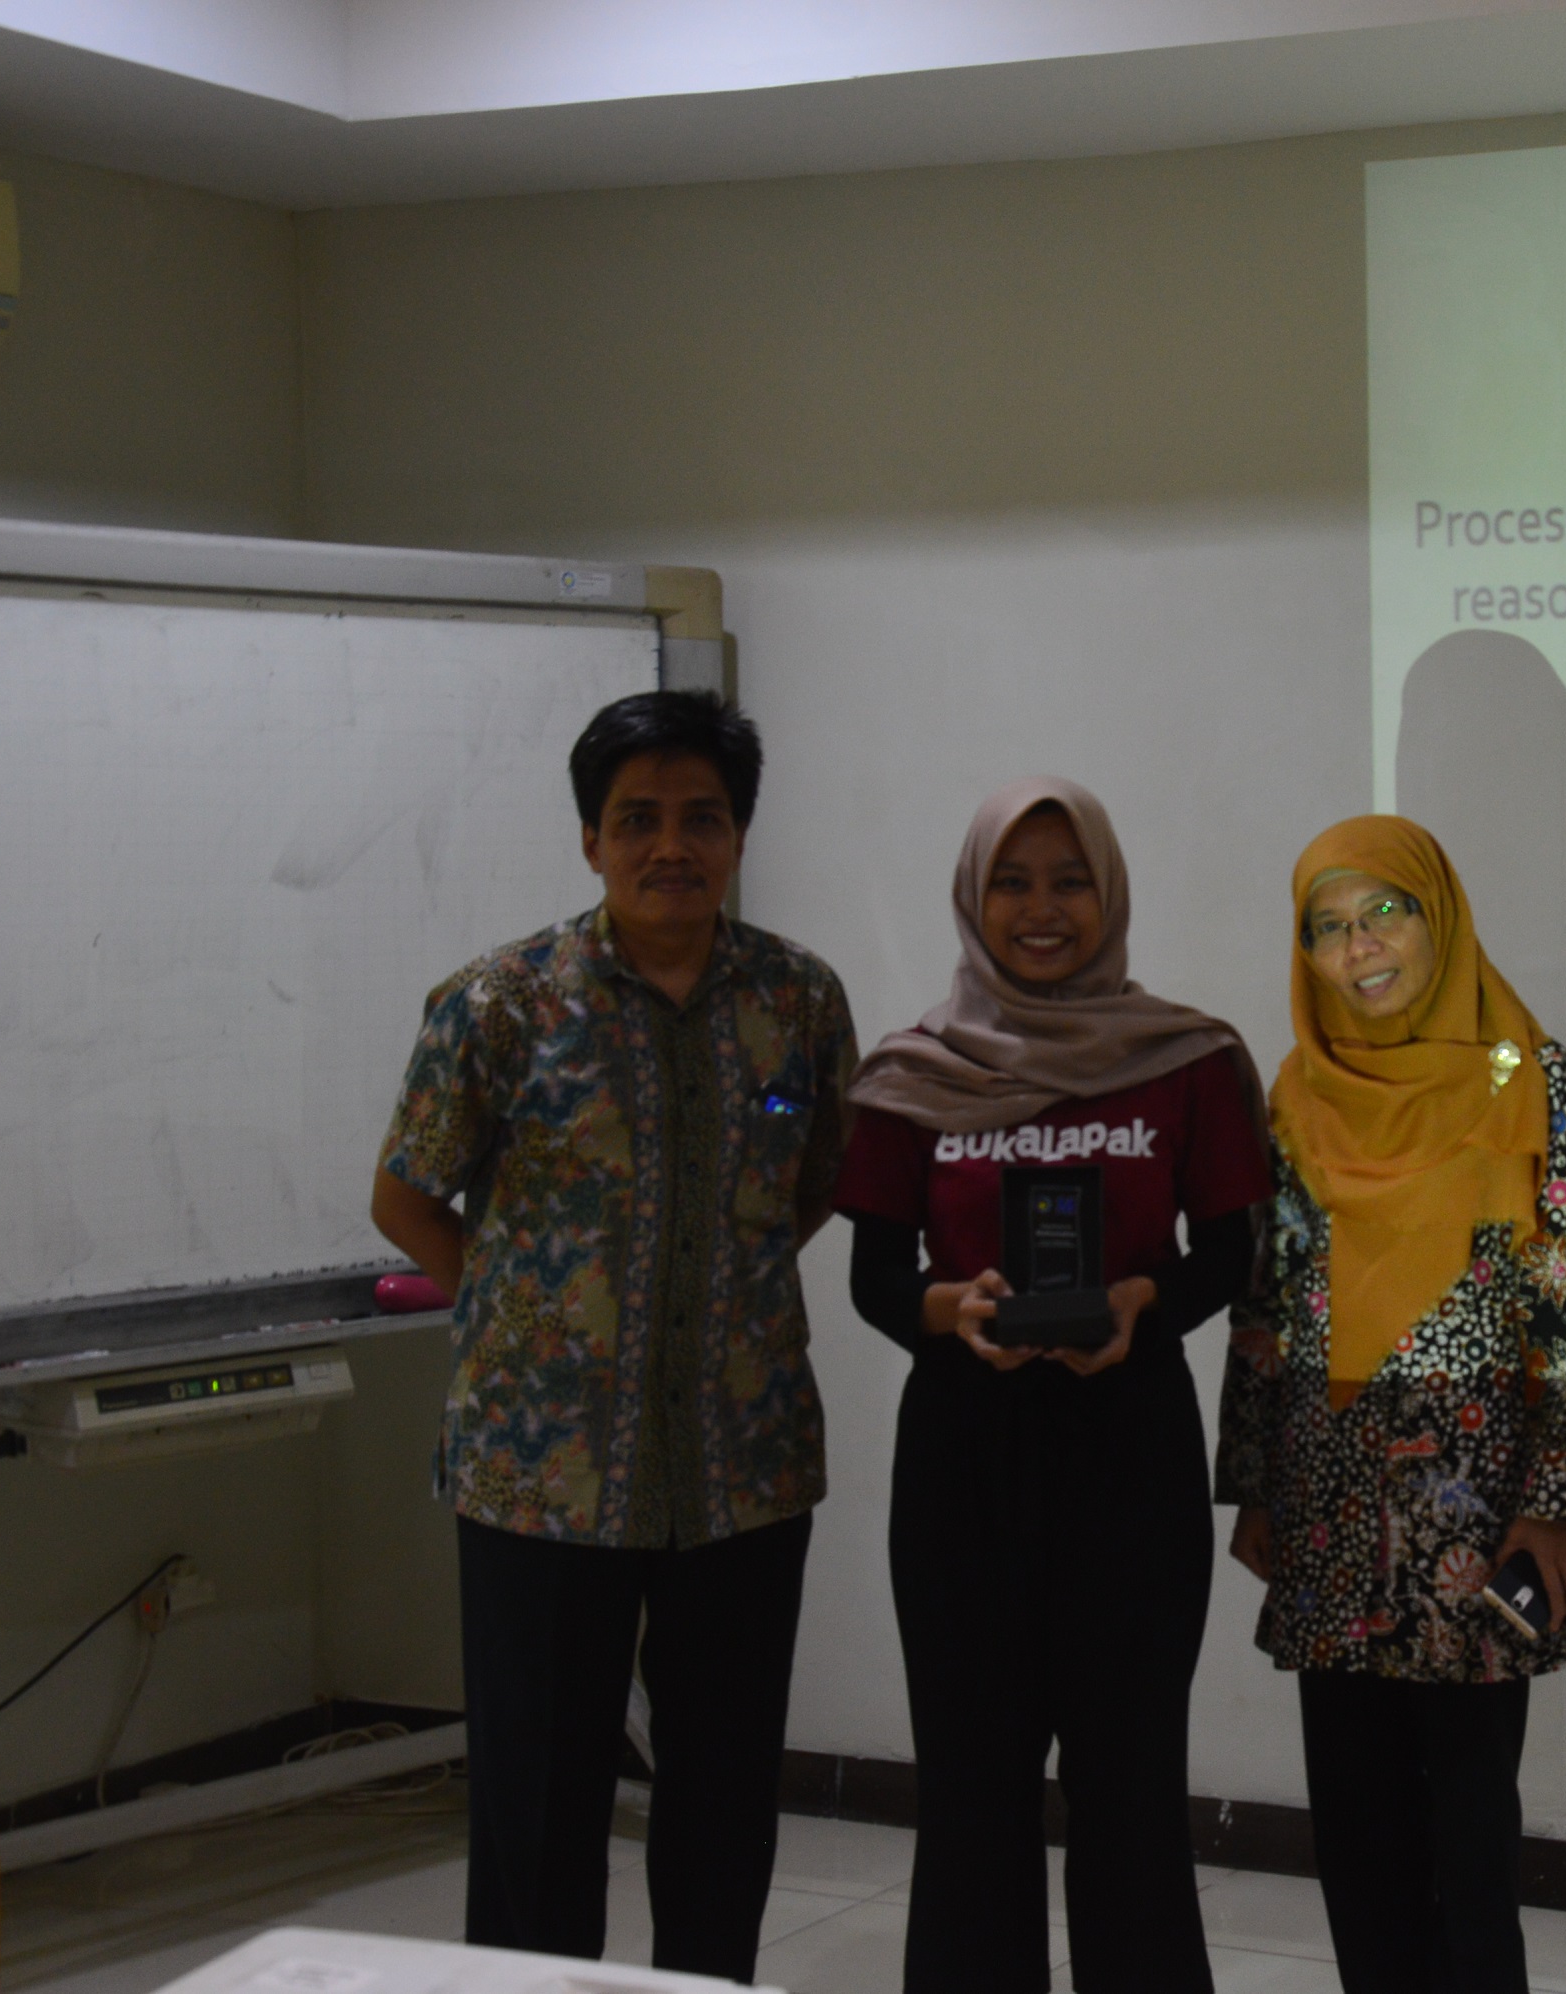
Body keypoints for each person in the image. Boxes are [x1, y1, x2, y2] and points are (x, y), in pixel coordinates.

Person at [370, 690, 855, 1980]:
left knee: (724, 1803)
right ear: (591, 838)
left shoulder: (799, 999)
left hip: (743, 1468)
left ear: (739, 834)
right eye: (637, 819)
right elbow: (406, 1196)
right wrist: (526, 1313)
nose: (670, 846)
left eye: (702, 817)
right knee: (538, 1813)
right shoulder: (500, 1003)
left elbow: (815, 1179)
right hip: (543, 1478)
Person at [836, 777, 1272, 1993]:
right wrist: (953, 1310)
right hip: (963, 1461)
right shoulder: (912, 1070)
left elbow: (1227, 1255)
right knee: (971, 1790)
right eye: (1013, 883)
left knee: (1131, 1790)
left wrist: (1141, 1302)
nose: (1042, 908)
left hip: (1130, 1452)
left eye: (1070, 881)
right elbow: (875, 1277)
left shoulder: (1187, 1058)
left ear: (1111, 892)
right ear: (973, 898)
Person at [1218, 815, 1566, 1994]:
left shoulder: (1529, 1074)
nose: (1361, 946)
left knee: (1471, 1831)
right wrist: (1253, 1485)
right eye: (1329, 926)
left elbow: (1564, 1301)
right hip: (1329, 1497)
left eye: (1384, 911)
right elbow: (1266, 1302)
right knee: (1358, 1830)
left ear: (1438, 915)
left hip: (1474, 1503)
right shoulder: (1298, 1090)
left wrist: (1556, 1499)